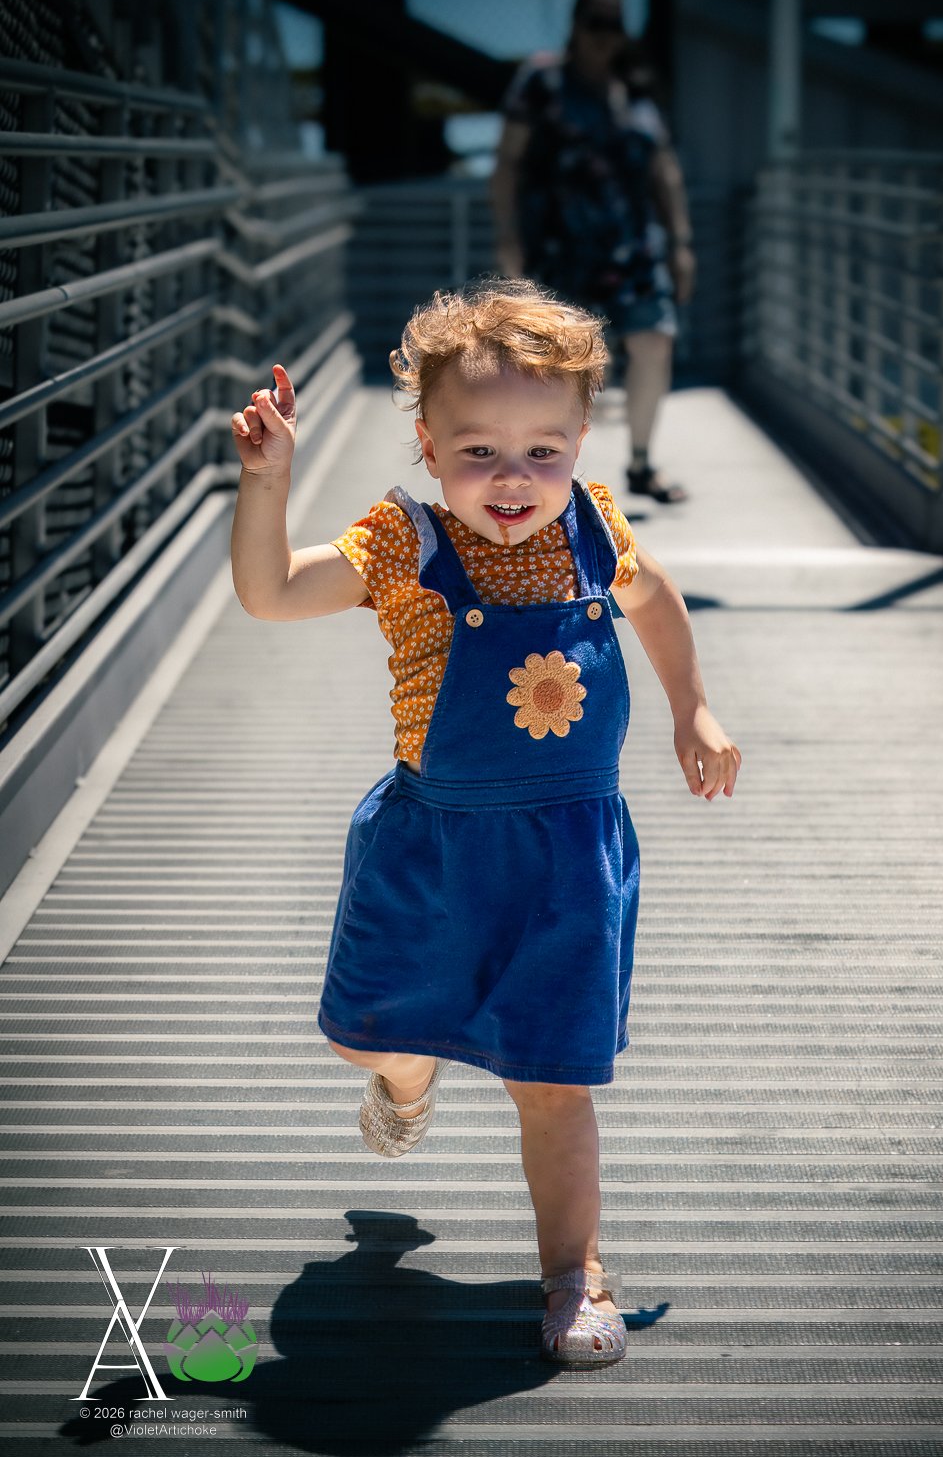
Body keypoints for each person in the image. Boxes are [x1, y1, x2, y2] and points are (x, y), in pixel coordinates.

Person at [229, 278, 741, 1369]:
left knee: (551, 1081)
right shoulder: (400, 544)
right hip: (434, 846)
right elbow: (271, 592)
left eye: (541, 452)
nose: (512, 479)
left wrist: (691, 706)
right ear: (424, 443)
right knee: (364, 1035)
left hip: (566, 857)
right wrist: (265, 485)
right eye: (477, 451)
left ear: (577, 441)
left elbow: (656, 603)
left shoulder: (597, 526)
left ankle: (574, 1272)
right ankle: (404, 1076)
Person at [491, 0, 697, 505]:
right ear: (576, 29)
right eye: (596, 24)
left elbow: (664, 169)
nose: (606, 36)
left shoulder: (639, 88)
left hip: (633, 246)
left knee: (654, 339)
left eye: (615, 25)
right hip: (560, 247)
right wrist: (508, 238)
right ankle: (544, 476)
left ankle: (642, 463)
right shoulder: (542, 82)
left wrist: (680, 242)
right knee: (551, 366)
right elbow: (508, 163)